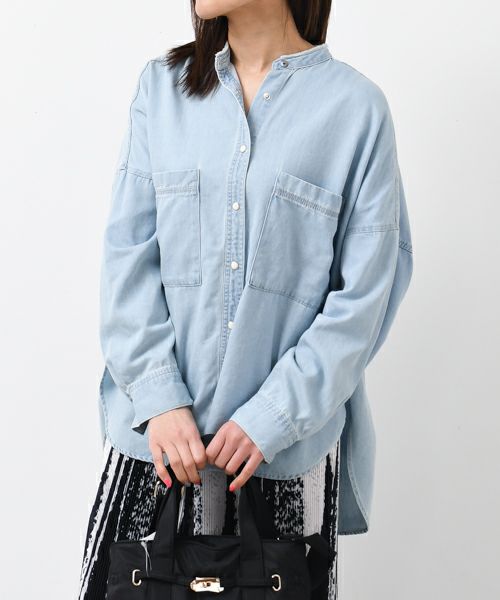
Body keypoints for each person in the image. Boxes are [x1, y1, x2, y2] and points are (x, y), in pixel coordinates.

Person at [78, 1, 414, 598]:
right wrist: (159, 397)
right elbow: (127, 259)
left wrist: (271, 416)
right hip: (153, 452)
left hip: (282, 462)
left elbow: (364, 298)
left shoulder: (356, 111)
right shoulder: (162, 91)